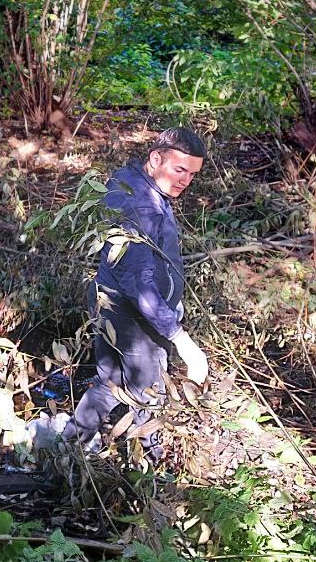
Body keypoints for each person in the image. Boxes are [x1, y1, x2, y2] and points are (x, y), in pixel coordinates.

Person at [54, 127, 210, 459]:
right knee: (146, 391)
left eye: (192, 174)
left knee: (110, 384)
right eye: (179, 170)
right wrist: (182, 339)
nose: (185, 180)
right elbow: (139, 283)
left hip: (114, 304)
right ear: (156, 158)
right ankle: (148, 465)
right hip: (134, 318)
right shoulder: (140, 205)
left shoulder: (136, 183)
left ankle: (65, 451)